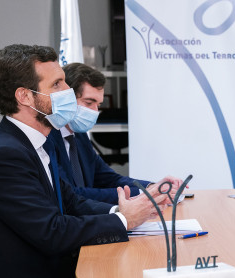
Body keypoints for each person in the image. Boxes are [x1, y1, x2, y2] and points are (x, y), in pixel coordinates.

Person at [0, 44, 172, 278]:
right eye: (57, 84)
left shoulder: (36, 143)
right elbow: (51, 232)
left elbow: (72, 201)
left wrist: (123, 209)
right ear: (24, 96)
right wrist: (123, 220)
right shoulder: (3, 156)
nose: (67, 91)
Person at [47, 63, 176, 204]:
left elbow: (108, 178)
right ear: (66, 99)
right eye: (89, 103)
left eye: (99, 105)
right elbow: (72, 194)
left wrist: (152, 187)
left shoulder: (79, 135)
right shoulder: (47, 138)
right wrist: (144, 194)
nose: (95, 111)